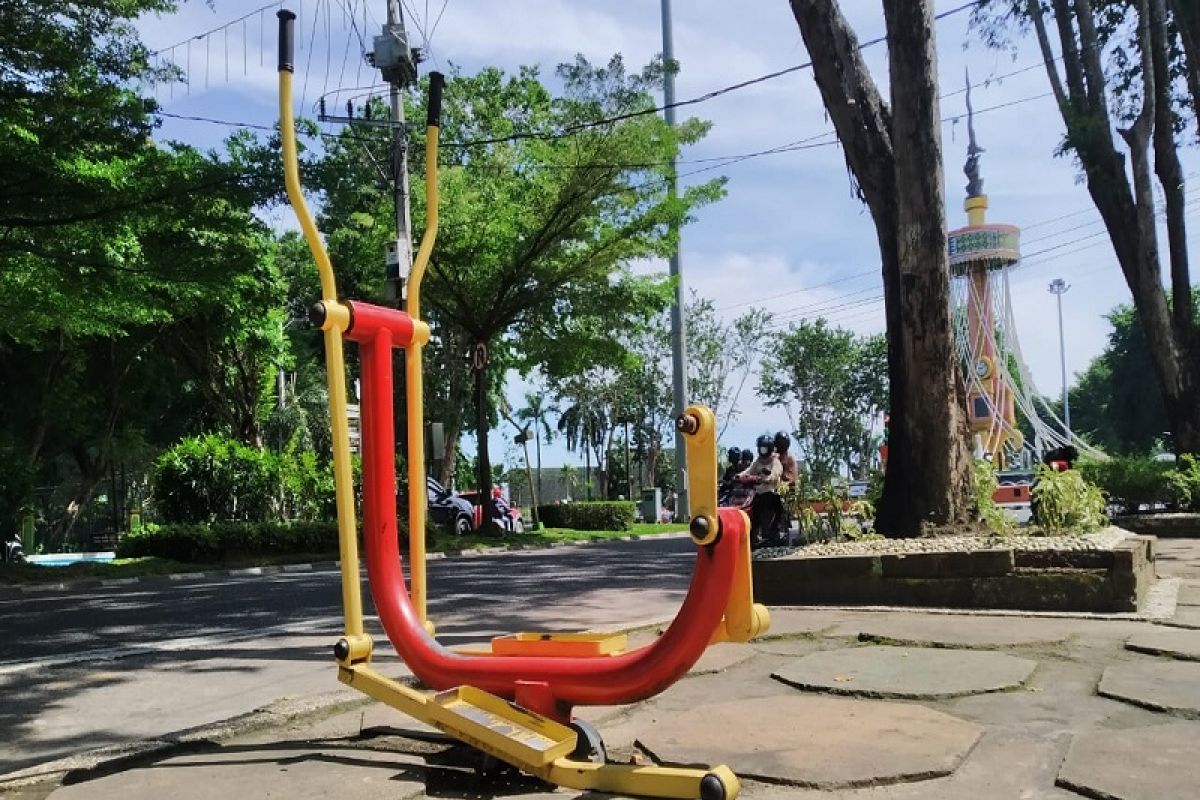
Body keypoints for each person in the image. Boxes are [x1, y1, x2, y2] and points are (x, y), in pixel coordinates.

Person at [738, 434, 783, 548]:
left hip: (772, 492)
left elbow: (776, 472)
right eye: (761, 447)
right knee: (752, 509)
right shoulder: (758, 461)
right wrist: (740, 475)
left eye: (764, 448)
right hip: (758, 492)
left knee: (766, 501)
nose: (762, 450)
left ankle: (769, 533)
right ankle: (754, 536)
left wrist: (769, 478)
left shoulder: (775, 461)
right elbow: (750, 470)